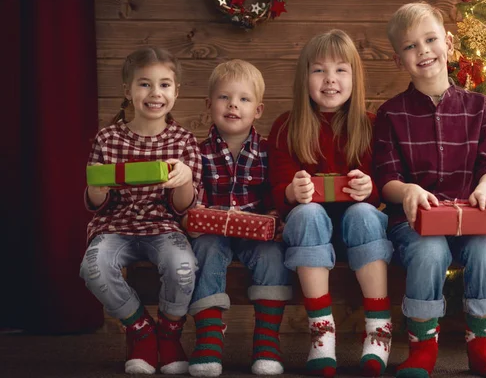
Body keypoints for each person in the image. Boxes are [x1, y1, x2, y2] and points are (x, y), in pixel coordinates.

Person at [373, 2, 486, 378]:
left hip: (468, 218)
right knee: (430, 250)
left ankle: (482, 348)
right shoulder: (391, 114)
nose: (422, 51)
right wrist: (406, 191)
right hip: (415, 224)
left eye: (430, 39)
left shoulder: (479, 107)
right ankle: (422, 350)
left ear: (449, 43)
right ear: (398, 59)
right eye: (410, 46)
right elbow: (385, 177)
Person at [268, 30, 394, 378]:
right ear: (304, 78)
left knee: (365, 213)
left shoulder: (370, 126)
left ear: (355, 76)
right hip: (310, 236)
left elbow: (384, 183)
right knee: (307, 213)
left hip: (359, 231)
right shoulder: (286, 127)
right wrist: (293, 192)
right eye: (319, 71)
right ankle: (321, 331)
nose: (330, 80)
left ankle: (379, 328)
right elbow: (277, 188)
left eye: (341, 70)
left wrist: (370, 188)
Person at [79, 47, 201, 375]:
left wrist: (185, 179)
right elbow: (95, 202)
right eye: (144, 84)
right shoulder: (108, 138)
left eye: (164, 84)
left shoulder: (184, 141)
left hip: (163, 227)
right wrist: (97, 189)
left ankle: (170, 333)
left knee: (184, 265)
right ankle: (142, 331)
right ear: (128, 91)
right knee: (93, 268)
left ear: (176, 91)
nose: (155, 93)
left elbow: (182, 208)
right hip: (115, 226)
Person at [182, 59, 292, 377]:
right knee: (204, 249)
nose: (233, 105)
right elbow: (192, 200)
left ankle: (268, 339)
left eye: (244, 99)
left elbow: (276, 192)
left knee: (274, 255)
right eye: (224, 98)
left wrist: (275, 218)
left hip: (256, 233)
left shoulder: (269, 151)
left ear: (257, 110)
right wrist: (192, 217)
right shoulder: (196, 153)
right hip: (212, 232)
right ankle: (209, 339)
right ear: (209, 105)